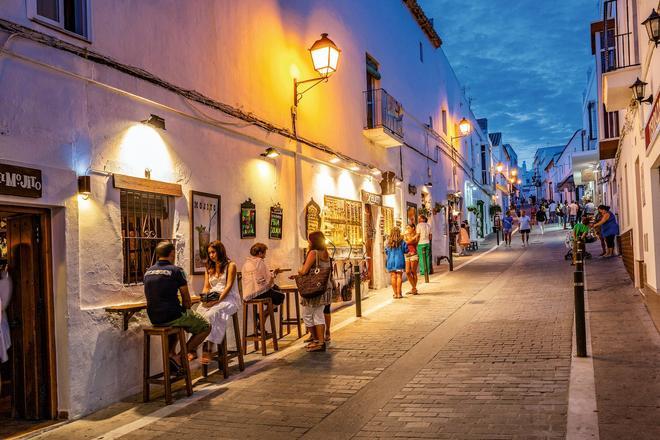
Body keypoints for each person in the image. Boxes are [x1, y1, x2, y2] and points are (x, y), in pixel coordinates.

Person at [144, 241, 211, 372]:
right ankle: (179, 358)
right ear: (172, 253)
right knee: (205, 327)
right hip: (172, 315)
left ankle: (171, 356)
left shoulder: (148, 272)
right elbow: (186, 298)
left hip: (154, 318)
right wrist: (188, 312)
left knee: (176, 328)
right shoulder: (176, 270)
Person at [195, 240, 242, 364]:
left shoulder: (231, 265)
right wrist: (205, 298)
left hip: (229, 297)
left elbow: (229, 286)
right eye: (209, 253)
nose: (211, 255)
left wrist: (216, 301)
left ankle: (208, 348)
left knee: (214, 313)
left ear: (220, 251)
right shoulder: (208, 267)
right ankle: (194, 348)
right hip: (212, 297)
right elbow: (206, 286)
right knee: (199, 313)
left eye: (213, 252)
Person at [293, 231, 332, 352]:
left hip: (313, 289)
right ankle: (320, 342)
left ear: (313, 241)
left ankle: (317, 341)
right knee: (318, 314)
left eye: (309, 239)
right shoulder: (326, 253)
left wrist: (299, 271)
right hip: (324, 288)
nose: (308, 241)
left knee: (307, 315)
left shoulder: (313, 253)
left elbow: (304, 271)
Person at [385, 227, 407, 299]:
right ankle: (399, 294)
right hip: (399, 261)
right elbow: (406, 250)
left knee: (393, 277)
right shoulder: (402, 241)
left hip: (391, 261)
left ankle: (395, 293)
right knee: (399, 277)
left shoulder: (388, 242)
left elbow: (386, 252)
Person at [403, 224, 419, 295]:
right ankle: (414, 288)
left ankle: (413, 289)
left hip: (413, 255)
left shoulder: (416, 236)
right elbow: (404, 243)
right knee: (407, 272)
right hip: (407, 255)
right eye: (406, 228)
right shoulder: (405, 236)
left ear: (413, 228)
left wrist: (408, 238)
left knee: (413, 271)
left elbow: (411, 242)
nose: (407, 229)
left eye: (408, 228)